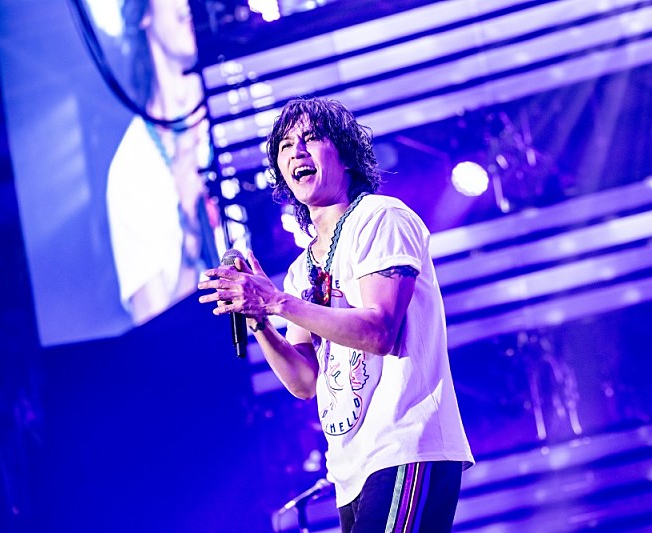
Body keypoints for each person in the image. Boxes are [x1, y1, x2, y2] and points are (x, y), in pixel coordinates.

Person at [198, 97, 474, 531]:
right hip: (351, 471)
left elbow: (379, 331)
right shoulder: (299, 270)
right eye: (286, 146)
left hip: (407, 446)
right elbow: (305, 381)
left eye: (311, 138)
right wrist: (258, 319)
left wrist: (276, 302)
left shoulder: (380, 218)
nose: (297, 152)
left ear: (344, 154)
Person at [107, 0, 223, 325]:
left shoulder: (241, 97)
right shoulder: (132, 168)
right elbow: (158, 331)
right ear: (143, 12)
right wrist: (191, 232)